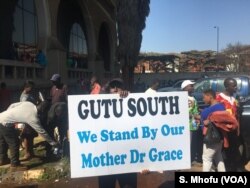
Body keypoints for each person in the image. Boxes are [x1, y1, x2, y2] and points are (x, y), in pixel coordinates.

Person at [98, 78, 136, 188]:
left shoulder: (131, 102)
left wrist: (128, 97)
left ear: (123, 89)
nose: (115, 89)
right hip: (106, 160)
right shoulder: (100, 104)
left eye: (118, 86)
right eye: (112, 86)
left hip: (127, 159)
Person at [0, 101, 58, 171]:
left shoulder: (29, 104)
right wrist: (53, 143)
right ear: (43, 111)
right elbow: (42, 132)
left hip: (1, 116)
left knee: (2, 141)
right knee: (14, 142)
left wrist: (9, 114)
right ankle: (15, 165)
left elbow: (12, 104)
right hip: (5, 123)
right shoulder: (33, 118)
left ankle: (3, 159)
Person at [216, 77, 243, 171]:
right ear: (227, 87)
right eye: (234, 86)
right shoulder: (219, 98)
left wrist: (238, 129)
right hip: (223, 131)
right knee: (224, 151)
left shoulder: (234, 98)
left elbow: (237, 115)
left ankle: (233, 167)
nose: (236, 88)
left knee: (233, 150)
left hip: (233, 130)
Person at [200, 89, 226, 172]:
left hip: (211, 138)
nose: (203, 99)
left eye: (204, 97)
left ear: (210, 97)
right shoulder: (221, 107)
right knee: (218, 157)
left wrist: (202, 118)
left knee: (206, 159)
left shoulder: (211, 109)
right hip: (219, 137)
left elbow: (208, 117)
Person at [181, 80, 202, 165]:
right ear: (185, 88)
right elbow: (186, 112)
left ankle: (191, 158)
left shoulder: (192, 97)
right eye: (191, 86)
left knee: (193, 142)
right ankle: (187, 161)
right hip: (188, 124)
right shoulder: (184, 98)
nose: (193, 87)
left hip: (194, 124)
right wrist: (195, 115)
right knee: (188, 143)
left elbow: (194, 108)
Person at [19, 80, 37, 160]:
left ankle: (31, 152)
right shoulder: (24, 97)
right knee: (26, 136)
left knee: (31, 135)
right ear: (26, 87)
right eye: (31, 87)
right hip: (27, 118)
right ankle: (27, 153)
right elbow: (24, 108)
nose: (32, 88)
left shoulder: (30, 94)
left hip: (32, 117)